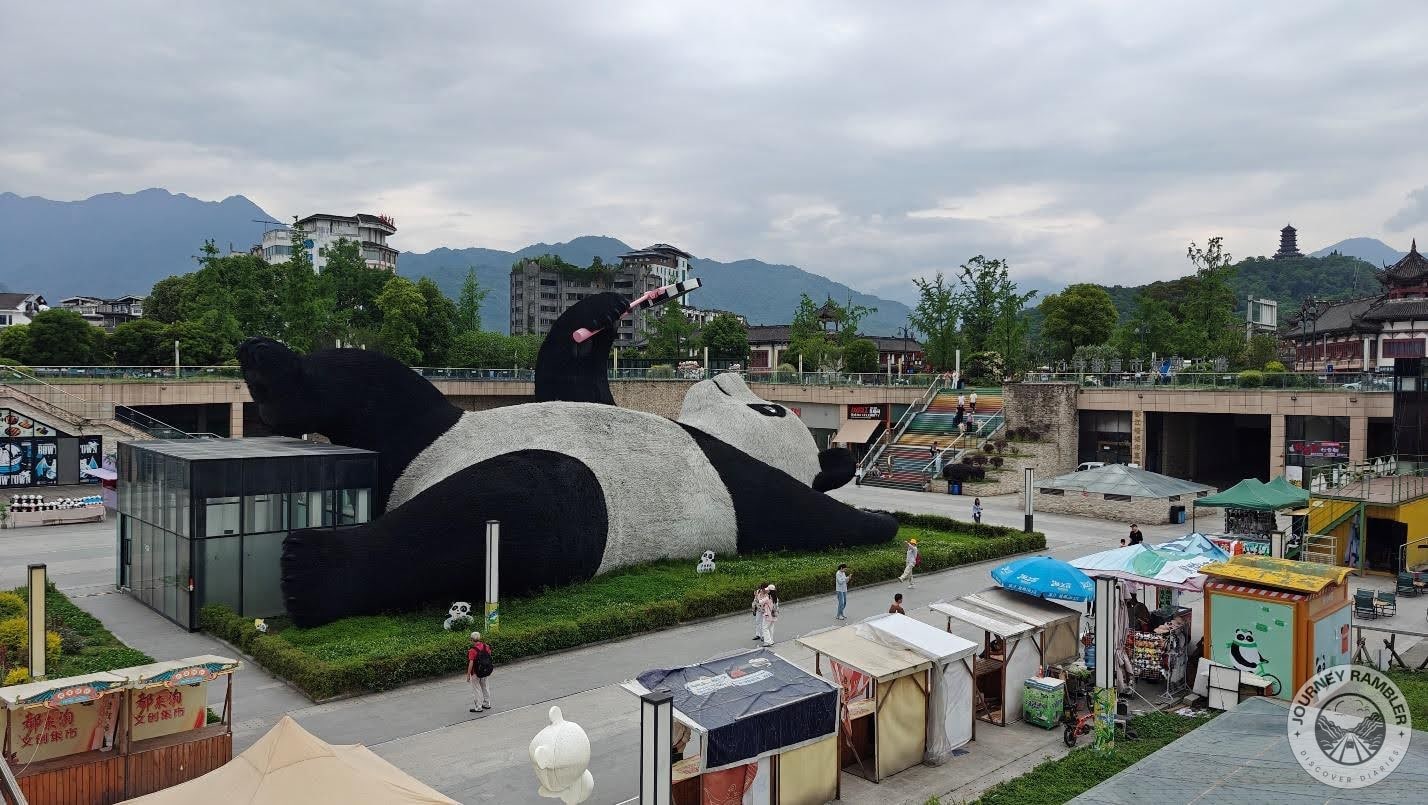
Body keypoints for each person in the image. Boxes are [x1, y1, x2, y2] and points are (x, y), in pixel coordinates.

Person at [467, 631, 494, 713]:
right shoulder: (486, 647)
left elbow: (471, 663)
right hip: (485, 671)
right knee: (485, 687)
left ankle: (478, 707)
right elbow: (489, 657)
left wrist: (468, 675)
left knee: (476, 689)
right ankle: (487, 703)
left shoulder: (472, 650)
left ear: (472, 639)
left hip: (476, 673)